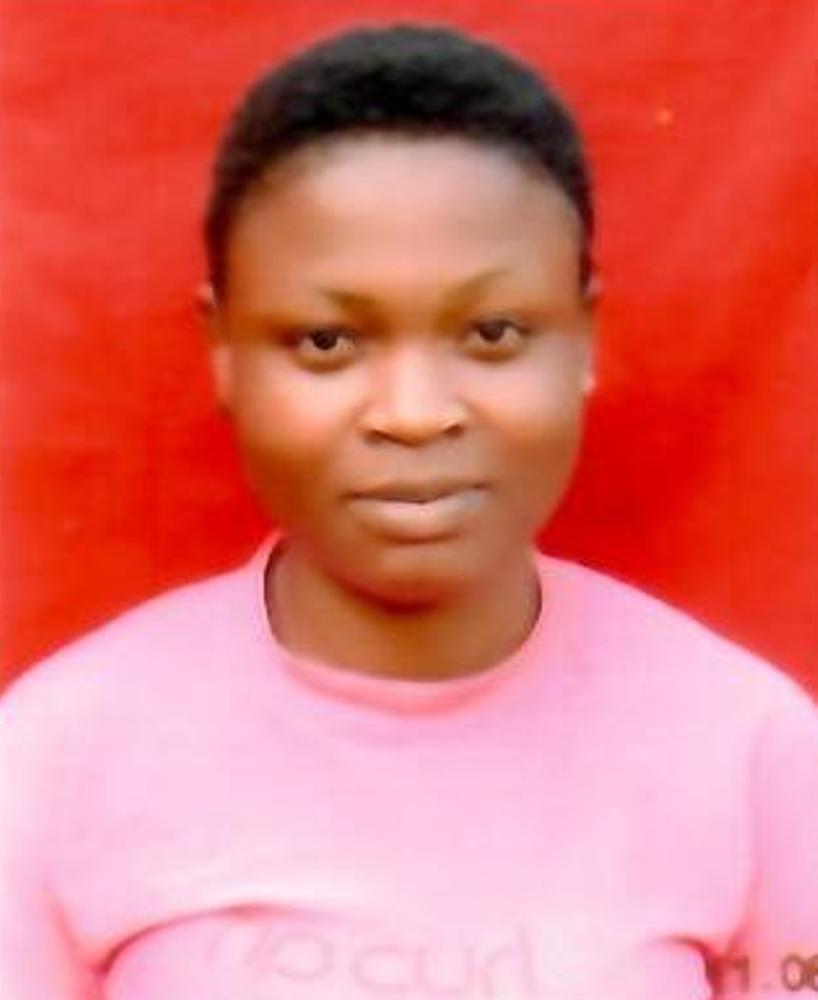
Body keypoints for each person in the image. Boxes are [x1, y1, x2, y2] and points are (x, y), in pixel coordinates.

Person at [1, 22, 816, 1000]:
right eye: (326, 342)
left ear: (583, 336)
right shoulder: (54, 759)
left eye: (492, 332)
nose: (416, 412)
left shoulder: (749, 753)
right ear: (224, 352)